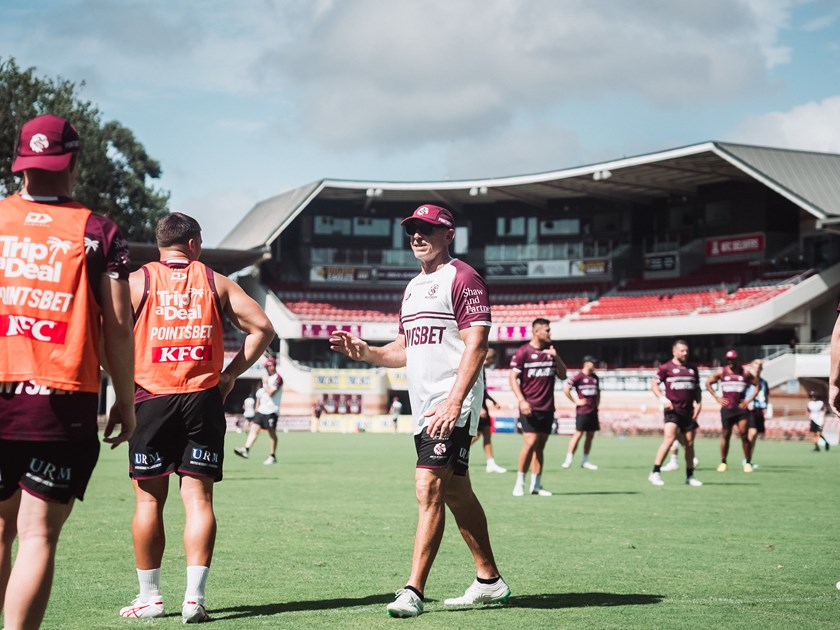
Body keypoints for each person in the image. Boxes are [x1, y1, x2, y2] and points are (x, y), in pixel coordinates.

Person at [329, 204, 509, 618]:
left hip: (452, 405)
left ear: (449, 235)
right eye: (412, 230)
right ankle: (490, 581)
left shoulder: (463, 277)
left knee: (428, 485)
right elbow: (405, 348)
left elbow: (476, 345)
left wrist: (454, 401)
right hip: (426, 407)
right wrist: (368, 353)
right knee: (456, 491)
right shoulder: (412, 287)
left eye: (427, 229)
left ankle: (413, 590)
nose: (416, 236)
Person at [0, 113, 136, 630]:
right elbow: (119, 326)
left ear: (22, 164)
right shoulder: (98, 232)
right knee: (36, 535)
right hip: (62, 399)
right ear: (73, 161)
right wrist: (124, 398)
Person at [120, 213, 274, 623]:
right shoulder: (214, 281)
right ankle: (194, 600)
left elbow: (105, 335)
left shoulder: (138, 281)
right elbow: (262, 327)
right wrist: (228, 377)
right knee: (199, 500)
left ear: (159, 245)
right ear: (193, 244)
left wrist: (120, 379)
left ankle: (150, 598)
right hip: (202, 399)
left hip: (151, 396)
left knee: (149, 501)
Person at [510, 318, 567, 497]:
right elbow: (512, 378)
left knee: (540, 446)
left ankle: (537, 485)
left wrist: (556, 356)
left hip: (547, 408)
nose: (550, 333)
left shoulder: (551, 353)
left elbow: (563, 376)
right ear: (536, 332)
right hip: (529, 407)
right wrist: (521, 400)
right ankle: (519, 482)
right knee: (530, 442)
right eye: (547, 330)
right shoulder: (523, 352)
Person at [648, 340, 703, 487]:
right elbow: (654, 384)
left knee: (690, 445)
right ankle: (655, 472)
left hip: (689, 413)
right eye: (682, 351)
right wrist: (662, 398)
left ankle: (690, 476)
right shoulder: (666, 368)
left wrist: (699, 404)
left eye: (686, 351)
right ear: (674, 352)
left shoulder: (692, 369)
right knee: (669, 439)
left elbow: (697, 389)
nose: (685, 353)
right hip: (673, 411)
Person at [706, 350, 759, 473]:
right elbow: (708, 383)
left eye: (733, 360)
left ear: (737, 360)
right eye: (728, 360)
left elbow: (757, 385)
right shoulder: (722, 372)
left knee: (744, 434)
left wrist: (748, 400)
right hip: (727, 409)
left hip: (741, 409)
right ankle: (723, 461)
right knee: (726, 435)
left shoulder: (745, 373)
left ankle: (747, 462)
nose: (731, 362)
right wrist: (717, 397)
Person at [234, 357, 283, 464]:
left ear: (273, 366)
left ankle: (272, 455)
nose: (267, 368)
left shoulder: (277, 378)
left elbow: (271, 393)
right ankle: (246, 449)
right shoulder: (265, 379)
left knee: (272, 433)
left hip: (272, 410)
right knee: (254, 429)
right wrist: (257, 407)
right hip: (262, 410)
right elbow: (260, 395)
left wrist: (265, 383)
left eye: (268, 366)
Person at [562, 355, 600, 471]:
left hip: (593, 410)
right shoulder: (578, 377)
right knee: (578, 434)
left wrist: (597, 405)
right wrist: (576, 401)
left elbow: (598, 393)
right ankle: (568, 459)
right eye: (592, 362)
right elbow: (566, 389)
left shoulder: (595, 378)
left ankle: (585, 460)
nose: (594, 365)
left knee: (590, 436)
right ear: (586, 363)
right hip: (582, 411)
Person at [475, 349, 506, 473]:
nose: (492, 361)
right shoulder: (477, 367)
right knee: (476, 435)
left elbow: (483, 390)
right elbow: (473, 388)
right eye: (491, 358)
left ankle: (490, 463)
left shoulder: (482, 369)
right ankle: (454, 455)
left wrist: (493, 401)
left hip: (482, 406)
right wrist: (480, 407)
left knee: (487, 434)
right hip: (477, 407)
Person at [744, 361, 768, 466]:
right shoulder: (747, 381)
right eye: (755, 367)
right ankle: (746, 458)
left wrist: (765, 407)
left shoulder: (763, 382)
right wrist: (747, 403)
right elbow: (742, 394)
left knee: (755, 436)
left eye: (759, 367)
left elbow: (766, 395)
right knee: (752, 433)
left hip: (759, 409)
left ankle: (749, 459)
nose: (756, 369)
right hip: (750, 409)